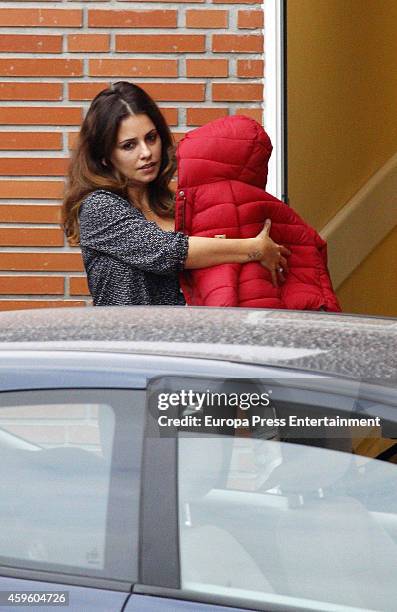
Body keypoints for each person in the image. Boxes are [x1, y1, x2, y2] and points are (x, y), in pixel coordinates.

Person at [62, 81, 290, 306]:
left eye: (151, 138)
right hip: (127, 340)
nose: (147, 153)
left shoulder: (171, 204)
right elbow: (166, 252)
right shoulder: (99, 207)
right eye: (129, 146)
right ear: (104, 155)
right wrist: (254, 248)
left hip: (185, 338)